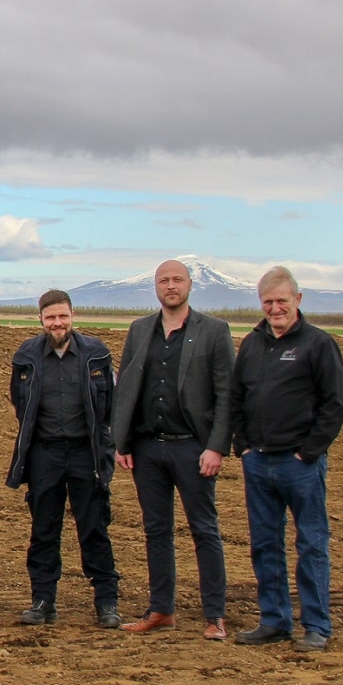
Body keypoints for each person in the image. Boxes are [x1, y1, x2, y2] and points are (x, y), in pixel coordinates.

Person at [113, 260, 235, 640]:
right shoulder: (140, 330)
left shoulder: (213, 331)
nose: (170, 286)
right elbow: (127, 388)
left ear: (190, 285)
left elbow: (227, 395)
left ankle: (214, 615)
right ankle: (161, 610)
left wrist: (216, 447)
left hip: (192, 449)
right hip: (148, 449)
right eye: (163, 280)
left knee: (204, 529)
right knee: (156, 531)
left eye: (177, 279)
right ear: (155, 287)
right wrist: (122, 441)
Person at [232, 267, 343, 652]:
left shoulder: (318, 344)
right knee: (265, 544)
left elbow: (334, 405)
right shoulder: (252, 344)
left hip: (300, 465)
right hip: (258, 462)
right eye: (268, 302)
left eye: (282, 300)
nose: (275, 308)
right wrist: (243, 445)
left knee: (311, 544)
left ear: (298, 300)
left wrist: (308, 451)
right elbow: (237, 398)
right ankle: (274, 620)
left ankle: (316, 625)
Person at [7, 290, 122, 628]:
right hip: (45, 454)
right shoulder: (27, 356)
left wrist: (107, 448)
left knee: (94, 528)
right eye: (50, 317)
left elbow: (110, 406)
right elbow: (20, 403)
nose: (57, 323)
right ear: (41, 320)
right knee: (44, 530)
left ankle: (106, 602)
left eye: (63, 316)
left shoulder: (96, 354)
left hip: (86, 453)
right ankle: (43, 601)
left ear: (73, 316)